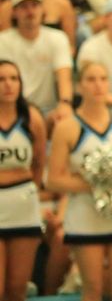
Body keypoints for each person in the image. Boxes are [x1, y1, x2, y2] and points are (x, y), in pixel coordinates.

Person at [46, 61, 112, 301]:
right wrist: (98, 183)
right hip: (85, 216)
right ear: (79, 86)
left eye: (102, 79)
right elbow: (54, 180)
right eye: (90, 79)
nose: (98, 85)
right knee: (93, 289)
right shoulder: (67, 128)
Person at [0, 60, 48, 301]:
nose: (8, 85)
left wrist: (27, 183)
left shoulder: (32, 118)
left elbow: (38, 163)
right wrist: (17, 174)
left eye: (14, 78)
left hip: (24, 207)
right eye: (1, 79)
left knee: (18, 288)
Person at [0, 0, 73, 123]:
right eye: (24, 7)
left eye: (34, 5)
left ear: (42, 9)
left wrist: (65, 104)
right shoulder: (2, 41)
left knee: (65, 120)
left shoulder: (58, 38)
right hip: (12, 109)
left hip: (48, 110)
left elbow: (64, 76)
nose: (30, 11)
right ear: (14, 12)